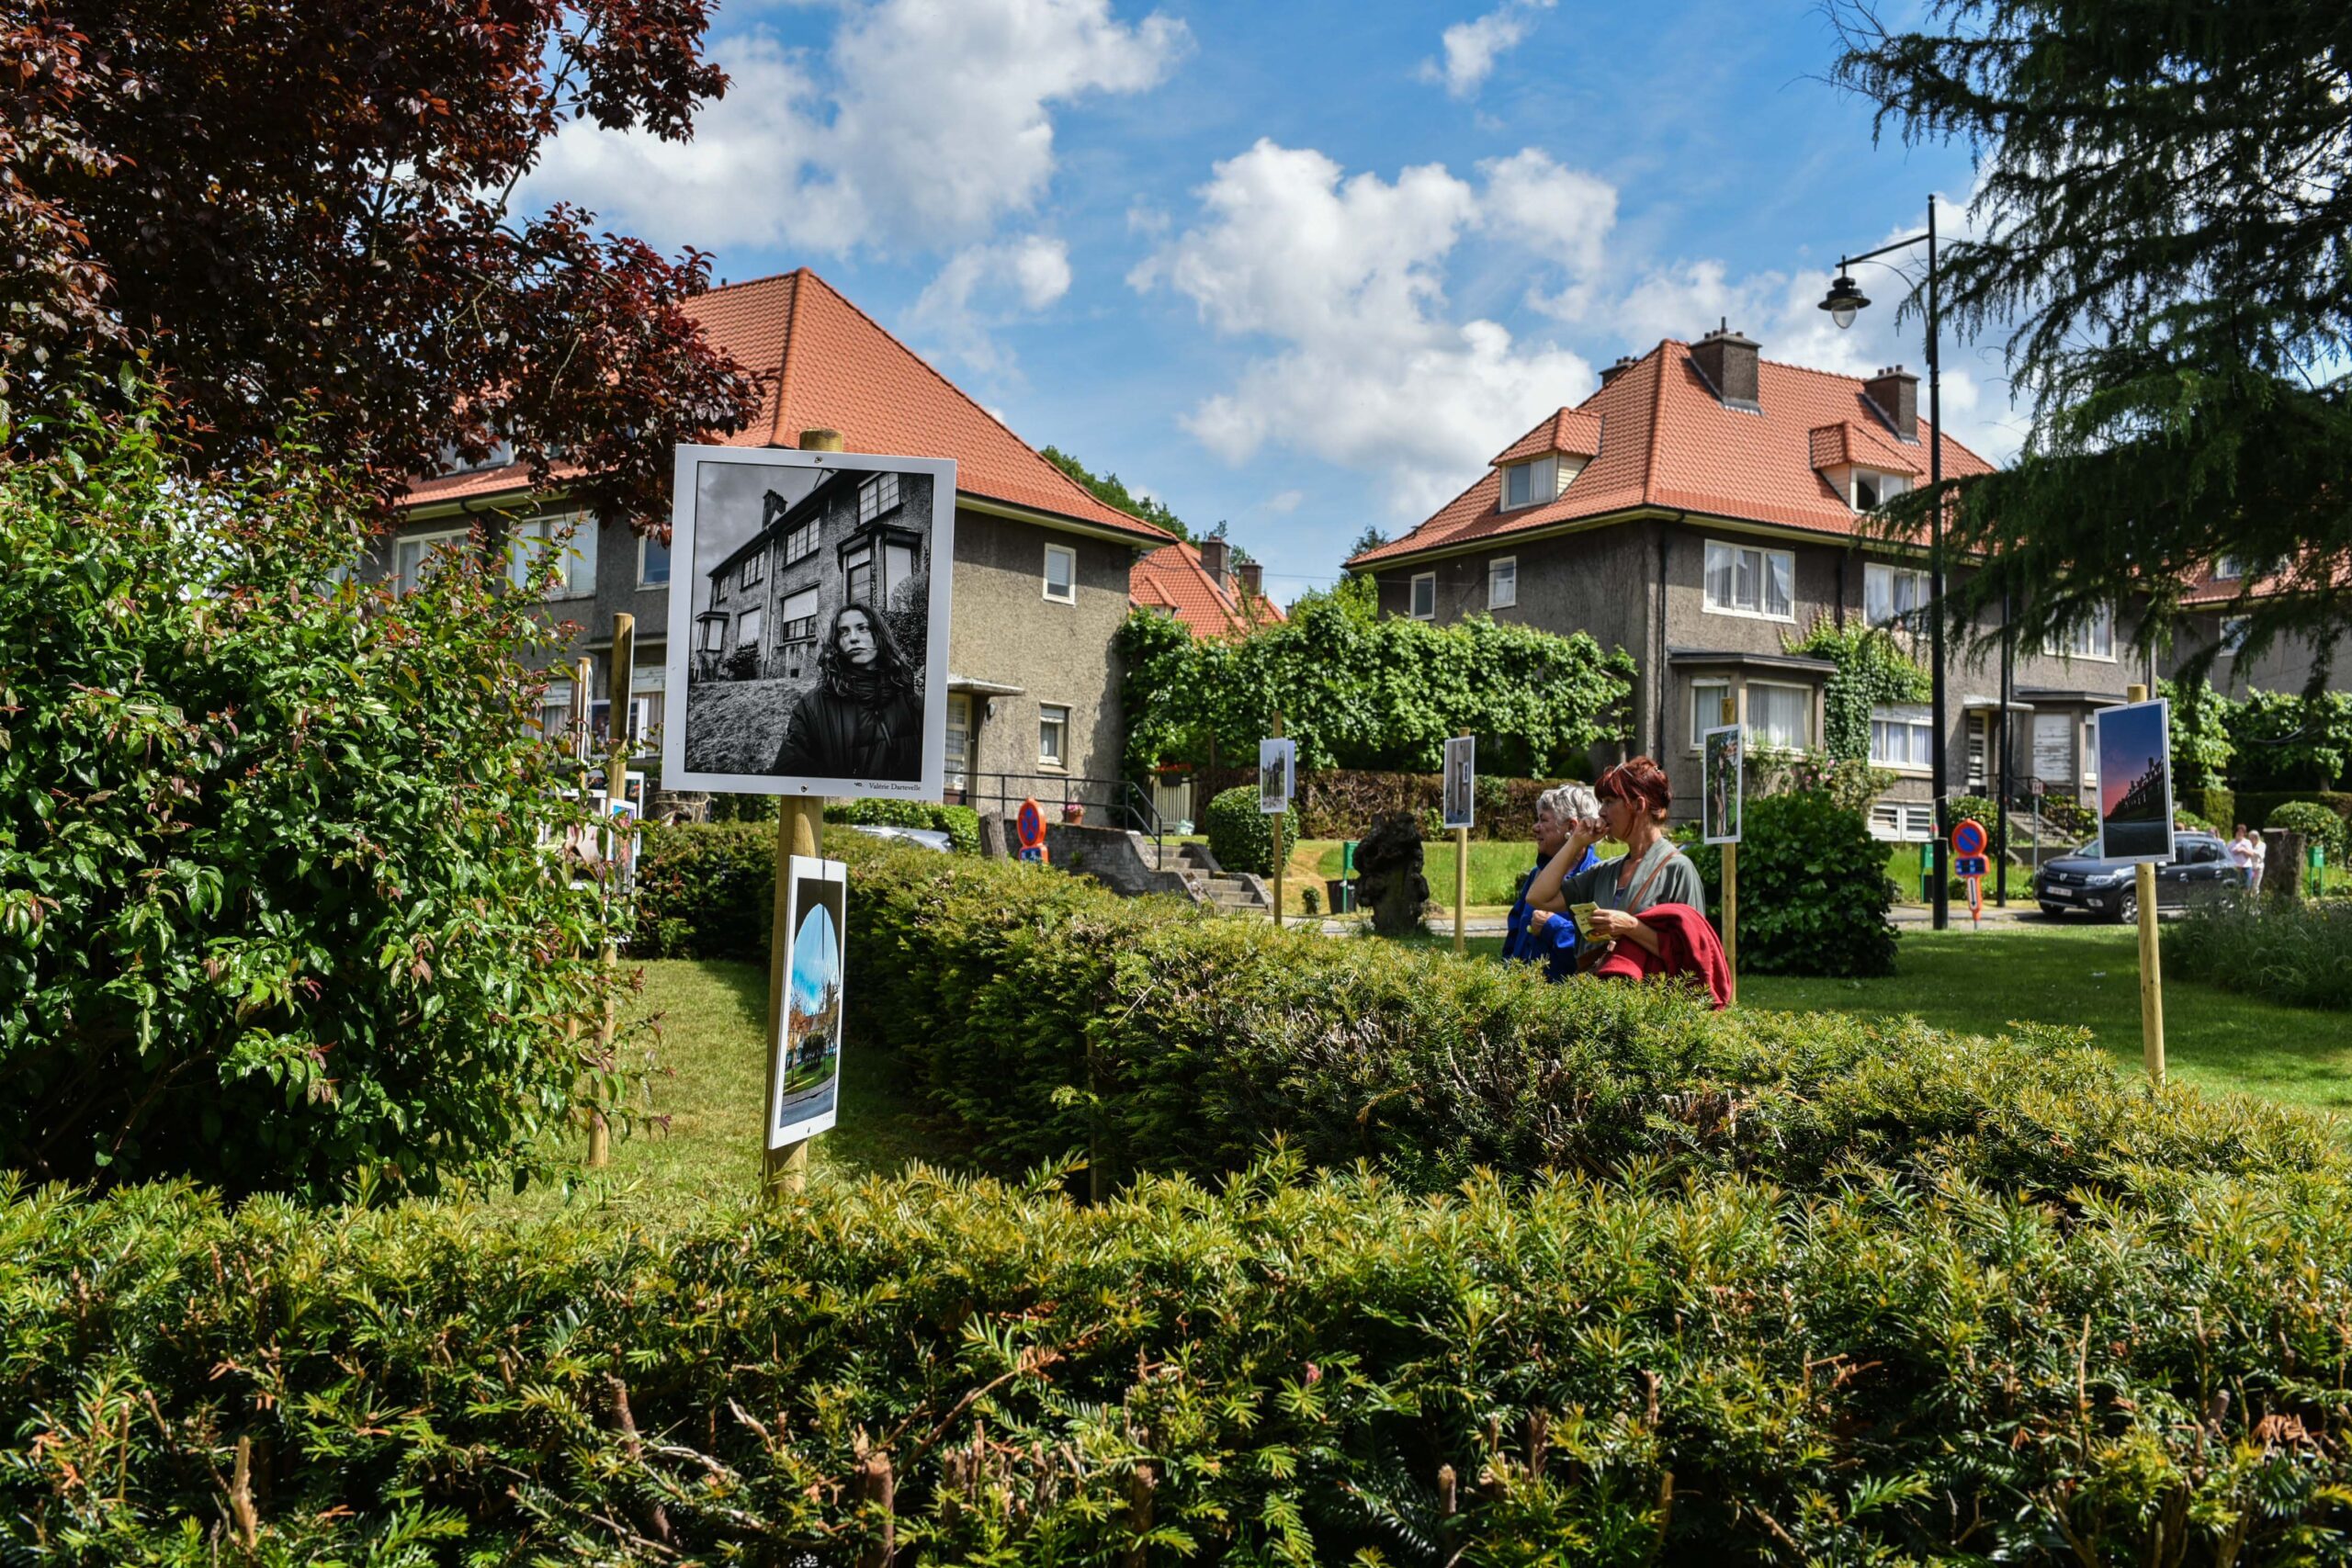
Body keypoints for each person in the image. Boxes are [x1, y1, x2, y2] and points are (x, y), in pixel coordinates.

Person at [1525, 755, 1706, 971]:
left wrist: (1631, 926)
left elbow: (1692, 953)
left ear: (1639, 805)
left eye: (1610, 802)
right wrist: (1575, 842)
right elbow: (1538, 898)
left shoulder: (1678, 870)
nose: (1601, 811)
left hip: (1650, 1002)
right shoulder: (1605, 871)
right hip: (1598, 999)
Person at [771, 604, 922, 781]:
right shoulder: (812, 707)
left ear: (878, 635)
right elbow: (789, 781)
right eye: (843, 632)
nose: (853, 638)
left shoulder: (911, 700)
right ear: (837, 643)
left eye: (863, 628)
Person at [1502, 783, 1600, 980]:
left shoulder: (1596, 878)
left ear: (1571, 827)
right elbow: (1514, 933)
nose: (1535, 827)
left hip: (1565, 1001)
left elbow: (1595, 950)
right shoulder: (1536, 875)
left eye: (1543, 820)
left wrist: (1553, 926)